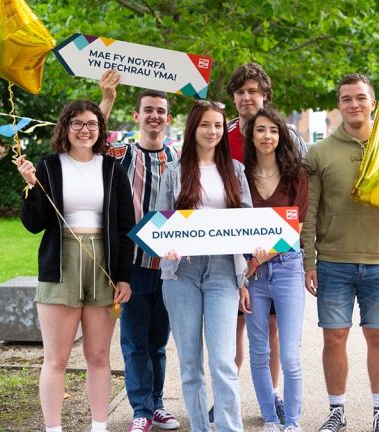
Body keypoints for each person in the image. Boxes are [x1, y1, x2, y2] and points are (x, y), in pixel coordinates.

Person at [301, 74, 379, 432]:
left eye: (360, 98)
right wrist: (309, 261)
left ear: (373, 102)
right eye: (346, 99)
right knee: (334, 337)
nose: (353, 104)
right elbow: (310, 213)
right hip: (333, 263)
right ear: (338, 105)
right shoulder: (320, 152)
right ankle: (337, 412)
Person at [16, 100, 135, 432]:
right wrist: (29, 186)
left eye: (92, 124)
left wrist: (123, 276)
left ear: (100, 130)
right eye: (78, 124)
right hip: (60, 262)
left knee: (98, 357)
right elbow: (34, 223)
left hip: (104, 263)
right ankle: (53, 428)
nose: (86, 130)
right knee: (57, 359)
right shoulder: (49, 166)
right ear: (65, 128)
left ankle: (99, 426)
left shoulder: (112, 169)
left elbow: (126, 226)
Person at [156, 100, 252, 432]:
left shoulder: (236, 170)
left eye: (217, 125)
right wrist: (164, 247)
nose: (212, 131)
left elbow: (249, 223)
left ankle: (229, 427)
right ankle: (200, 427)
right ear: (192, 129)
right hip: (182, 273)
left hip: (224, 272)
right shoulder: (174, 171)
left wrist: (246, 274)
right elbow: (161, 223)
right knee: (191, 364)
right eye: (205, 125)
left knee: (224, 362)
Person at [221, 62, 307, 423]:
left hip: (280, 260)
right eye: (240, 92)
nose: (246, 97)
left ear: (265, 95)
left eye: (253, 91)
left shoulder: (290, 140)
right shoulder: (224, 138)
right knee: (234, 329)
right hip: (236, 255)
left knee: (275, 336)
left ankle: (274, 402)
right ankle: (230, 399)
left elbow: (299, 213)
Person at [98, 70, 181, 432]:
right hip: (131, 266)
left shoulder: (179, 158)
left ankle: (158, 404)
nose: (154, 116)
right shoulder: (122, 152)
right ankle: (141, 410)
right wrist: (107, 99)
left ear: (168, 118)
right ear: (136, 116)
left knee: (158, 342)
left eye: (161, 111)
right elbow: (90, 136)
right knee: (133, 341)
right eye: (148, 110)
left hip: (167, 266)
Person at [238, 108, 309, 432]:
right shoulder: (239, 174)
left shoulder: (296, 174)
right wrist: (246, 270)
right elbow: (233, 226)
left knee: (290, 354)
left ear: (281, 136)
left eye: (273, 131)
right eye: (260, 130)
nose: (267, 136)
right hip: (251, 274)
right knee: (259, 351)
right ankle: (269, 417)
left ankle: (292, 421)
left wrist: (264, 257)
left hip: (287, 268)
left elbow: (300, 226)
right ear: (251, 137)